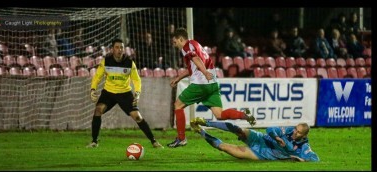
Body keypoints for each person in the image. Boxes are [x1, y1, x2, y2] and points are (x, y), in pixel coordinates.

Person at [167, 28, 256, 148]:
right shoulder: (195, 44)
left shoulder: (186, 47)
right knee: (219, 114)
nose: (174, 44)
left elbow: (196, 59)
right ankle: (243, 115)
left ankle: (181, 138)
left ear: (181, 39)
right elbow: (192, 67)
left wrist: (204, 72)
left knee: (178, 105)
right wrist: (178, 78)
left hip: (201, 83)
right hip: (213, 83)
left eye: (175, 41)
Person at [87, 38, 163, 148]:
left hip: (125, 93)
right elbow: (97, 76)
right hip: (109, 92)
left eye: (121, 47)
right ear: (112, 49)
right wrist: (93, 89)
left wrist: (137, 93)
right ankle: (94, 141)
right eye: (117, 47)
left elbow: (136, 80)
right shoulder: (106, 62)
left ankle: (154, 141)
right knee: (98, 110)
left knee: (137, 117)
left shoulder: (129, 63)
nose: (119, 50)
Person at [190, 117, 320, 162]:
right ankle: (205, 122)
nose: (295, 132)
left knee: (225, 147)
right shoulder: (289, 129)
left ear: (304, 136)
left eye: (298, 132)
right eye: (296, 129)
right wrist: (277, 137)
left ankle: (200, 131)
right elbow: (270, 129)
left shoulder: (304, 147)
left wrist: (301, 159)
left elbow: (315, 159)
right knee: (238, 129)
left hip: (262, 154)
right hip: (260, 139)